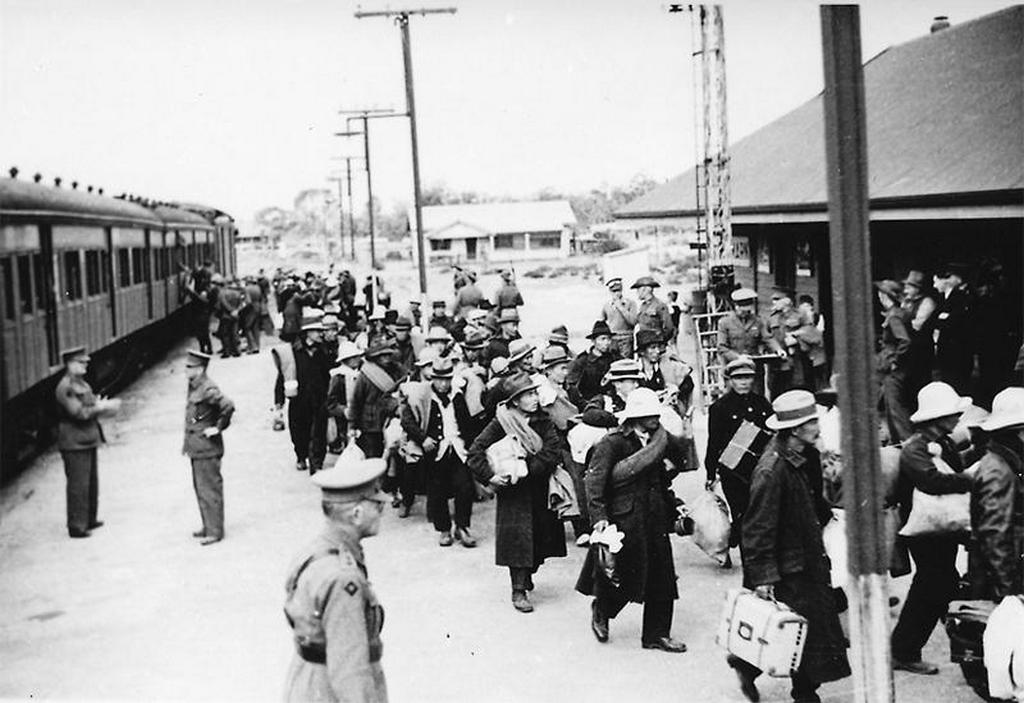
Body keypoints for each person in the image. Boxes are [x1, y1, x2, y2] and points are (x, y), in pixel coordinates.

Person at [731, 389, 851, 703]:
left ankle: (747, 665)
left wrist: (829, 514)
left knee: (800, 630)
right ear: (795, 429)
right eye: (812, 421)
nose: (818, 425)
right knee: (801, 632)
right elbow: (757, 527)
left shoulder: (805, 454)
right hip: (788, 567)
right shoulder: (771, 470)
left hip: (807, 557)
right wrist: (763, 578)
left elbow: (810, 495)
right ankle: (804, 694)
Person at [576, 388, 690, 652]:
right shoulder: (613, 443)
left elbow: (662, 481)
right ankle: (602, 609)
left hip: (654, 517)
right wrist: (599, 517)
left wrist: (675, 508)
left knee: (662, 578)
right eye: (647, 413)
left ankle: (656, 634)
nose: (654, 418)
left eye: (655, 413)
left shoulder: (658, 440)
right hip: (624, 519)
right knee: (622, 576)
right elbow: (594, 481)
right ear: (634, 416)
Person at [283, 458, 389, 703]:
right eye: (378, 506)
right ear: (357, 513)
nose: (382, 511)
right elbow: (350, 670)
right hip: (329, 691)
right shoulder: (343, 579)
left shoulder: (316, 549)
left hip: (308, 682)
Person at [890, 381, 977, 675]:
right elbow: (932, 481)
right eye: (953, 414)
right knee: (933, 584)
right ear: (938, 418)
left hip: (941, 527)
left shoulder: (945, 443)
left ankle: (912, 645)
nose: (958, 419)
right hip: (924, 530)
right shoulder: (915, 449)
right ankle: (904, 649)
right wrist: (970, 479)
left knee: (940, 583)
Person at [467, 373, 566, 613]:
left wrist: (526, 469)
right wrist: (491, 476)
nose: (534, 398)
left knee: (541, 538)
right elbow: (475, 452)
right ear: (514, 401)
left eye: (534, 393)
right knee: (518, 540)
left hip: (539, 486)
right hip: (514, 494)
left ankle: (529, 572)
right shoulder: (501, 422)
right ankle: (518, 588)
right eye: (528, 395)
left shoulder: (543, 420)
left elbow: (553, 450)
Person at [400, 357, 479, 545]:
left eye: (447, 379)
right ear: (432, 379)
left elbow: (467, 424)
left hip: (458, 449)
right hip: (435, 451)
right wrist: (423, 438)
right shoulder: (423, 397)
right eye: (439, 379)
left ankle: (462, 527)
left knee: (465, 488)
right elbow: (407, 420)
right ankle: (444, 529)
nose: (443, 384)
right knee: (437, 491)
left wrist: (472, 445)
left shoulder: (457, 396)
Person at [704, 356, 772, 565]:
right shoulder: (720, 408)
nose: (743, 382)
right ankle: (748, 558)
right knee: (742, 512)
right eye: (738, 378)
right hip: (732, 469)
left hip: (758, 468)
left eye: (747, 377)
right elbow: (714, 442)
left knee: (758, 513)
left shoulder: (761, 404)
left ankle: (735, 537)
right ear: (729, 380)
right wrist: (710, 473)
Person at [54, 346, 119, 538]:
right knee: (78, 485)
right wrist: (102, 407)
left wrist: (98, 404)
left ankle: (89, 519)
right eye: (80, 363)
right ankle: (77, 526)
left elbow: (88, 404)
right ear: (69, 364)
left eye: (85, 363)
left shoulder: (81, 383)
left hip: (86, 438)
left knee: (90, 482)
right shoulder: (65, 387)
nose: (85, 366)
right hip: (74, 440)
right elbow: (79, 413)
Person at [967, 387, 1024, 601]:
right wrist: (1007, 592)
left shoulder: (1006, 463)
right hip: (1001, 581)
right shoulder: (998, 471)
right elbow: (994, 535)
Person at [182, 350, 235, 545]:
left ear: (200, 369)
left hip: (207, 447)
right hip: (197, 447)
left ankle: (215, 531)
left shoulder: (207, 388)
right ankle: (208, 525)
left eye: (190, 367)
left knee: (210, 489)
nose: (186, 370)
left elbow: (228, 406)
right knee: (201, 488)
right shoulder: (195, 386)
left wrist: (218, 428)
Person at [274, 311, 336, 474]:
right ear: (307, 332)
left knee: (319, 431)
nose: (321, 334)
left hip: (319, 398)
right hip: (299, 400)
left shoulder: (323, 351)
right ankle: (301, 456)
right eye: (317, 331)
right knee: (299, 431)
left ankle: (316, 463)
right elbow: (282, 377)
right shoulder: (293, 352)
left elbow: (330, 373)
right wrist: (278, 403)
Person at [717, 288, 783, 396]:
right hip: (734, 367)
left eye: (747, 311)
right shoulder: (725, 323)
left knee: (757, 397)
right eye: (742, 310)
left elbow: (767, 338)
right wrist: (738, 357)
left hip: (754, 367)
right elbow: (722, 347)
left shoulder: (758, 321)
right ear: (736, 306)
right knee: (734, 400)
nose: (745, 313)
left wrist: (778, 349)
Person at [349, 339, 402, 459]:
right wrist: (352, 425)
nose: (386, 358)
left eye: (388, 355)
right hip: (371, 424)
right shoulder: (365, 375)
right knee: (373, 457)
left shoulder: (397, 370)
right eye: (382, 355)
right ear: (374, 357)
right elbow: (356, 401)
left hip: (391, 420)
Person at [876, 280, 914, 444]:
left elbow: (904, 340)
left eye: (880, 293)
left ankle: (905, 443)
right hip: (893, 368)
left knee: (895, 407)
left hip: (894, 370)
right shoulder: (898, 313)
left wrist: (894, 361)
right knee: (891, 405)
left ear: (886, 296)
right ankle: (898, 441)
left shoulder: (894, 317)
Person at [933, 263, 975, 395]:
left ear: (945, 280)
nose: (934, 286)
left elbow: (955, 322)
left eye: (936, 281)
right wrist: (942, 319)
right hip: (946, 352)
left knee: (959, 386)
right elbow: (934, 321)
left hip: (958, 353)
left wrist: (944, 320)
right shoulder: (942, 300)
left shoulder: (961, 297)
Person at [566, 320, 620, 409]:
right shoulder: (582, 361)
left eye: (609, 339)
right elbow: (571, 386)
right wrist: (585, 405)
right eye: (602, 339)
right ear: (593, 341)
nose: (606, 343)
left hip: (614, 404)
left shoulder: (615, 358)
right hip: (590, 405)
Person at [900, 270, 938, 397]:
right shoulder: (907, 301)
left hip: (921, 348)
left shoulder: (927, 302)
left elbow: (916, 325)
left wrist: (900, 319)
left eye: (909, 286)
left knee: (920, 381)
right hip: (908, 348)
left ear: (917, 288)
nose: (906, 289)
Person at [326, 341, 364, 454]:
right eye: (352, 357)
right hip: (345, 420)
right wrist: (343, 410)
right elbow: (331, 403)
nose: (357, 360)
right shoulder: (338, 377)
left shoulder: (362, 374)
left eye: (357, 356)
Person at [766, 288, 801, 397]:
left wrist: (796, 340)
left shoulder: (798, 316)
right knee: (775, 390)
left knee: (795, 390)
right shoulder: (771, 318)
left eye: (777, 300)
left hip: (795, 360)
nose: (774, 303)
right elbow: (766, 337)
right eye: (774, 300)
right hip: (776, 361)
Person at [632, 275, 675, 347]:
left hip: (656, 346)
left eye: (638, 290)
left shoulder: (659, 305)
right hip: (644, 345)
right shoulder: (643, 306)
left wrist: (660, 342)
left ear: (645, 290)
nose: (637, 293)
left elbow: (669, 328)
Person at [600, 278, 638, 358]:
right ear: (610, 292)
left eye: (619, 290)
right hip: (612, 339)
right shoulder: (607, 305)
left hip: (626, 339)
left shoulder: (630, 303)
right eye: (614, 291)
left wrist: (621, 307)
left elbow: (633, 321)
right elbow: (601, 322)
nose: (617, 294)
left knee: (625, 363)